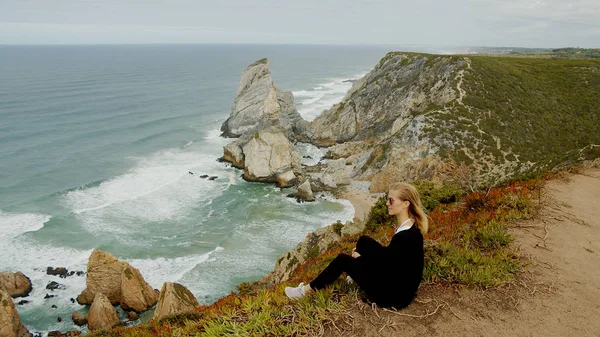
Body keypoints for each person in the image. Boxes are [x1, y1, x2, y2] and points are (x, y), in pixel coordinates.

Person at [285, 182, 428, 309]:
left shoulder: (404, 237)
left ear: (405, 203)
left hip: (391, 297)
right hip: (401, 289)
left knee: (342, 260)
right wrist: (362, 256)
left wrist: (359, 260)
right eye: (387, 199)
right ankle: (355, 276)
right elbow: (393, 260)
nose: (387, 203)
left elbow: (386, 270)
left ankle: (304, 291)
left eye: (391, 200)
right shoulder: (411, 228)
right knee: (364, 241)